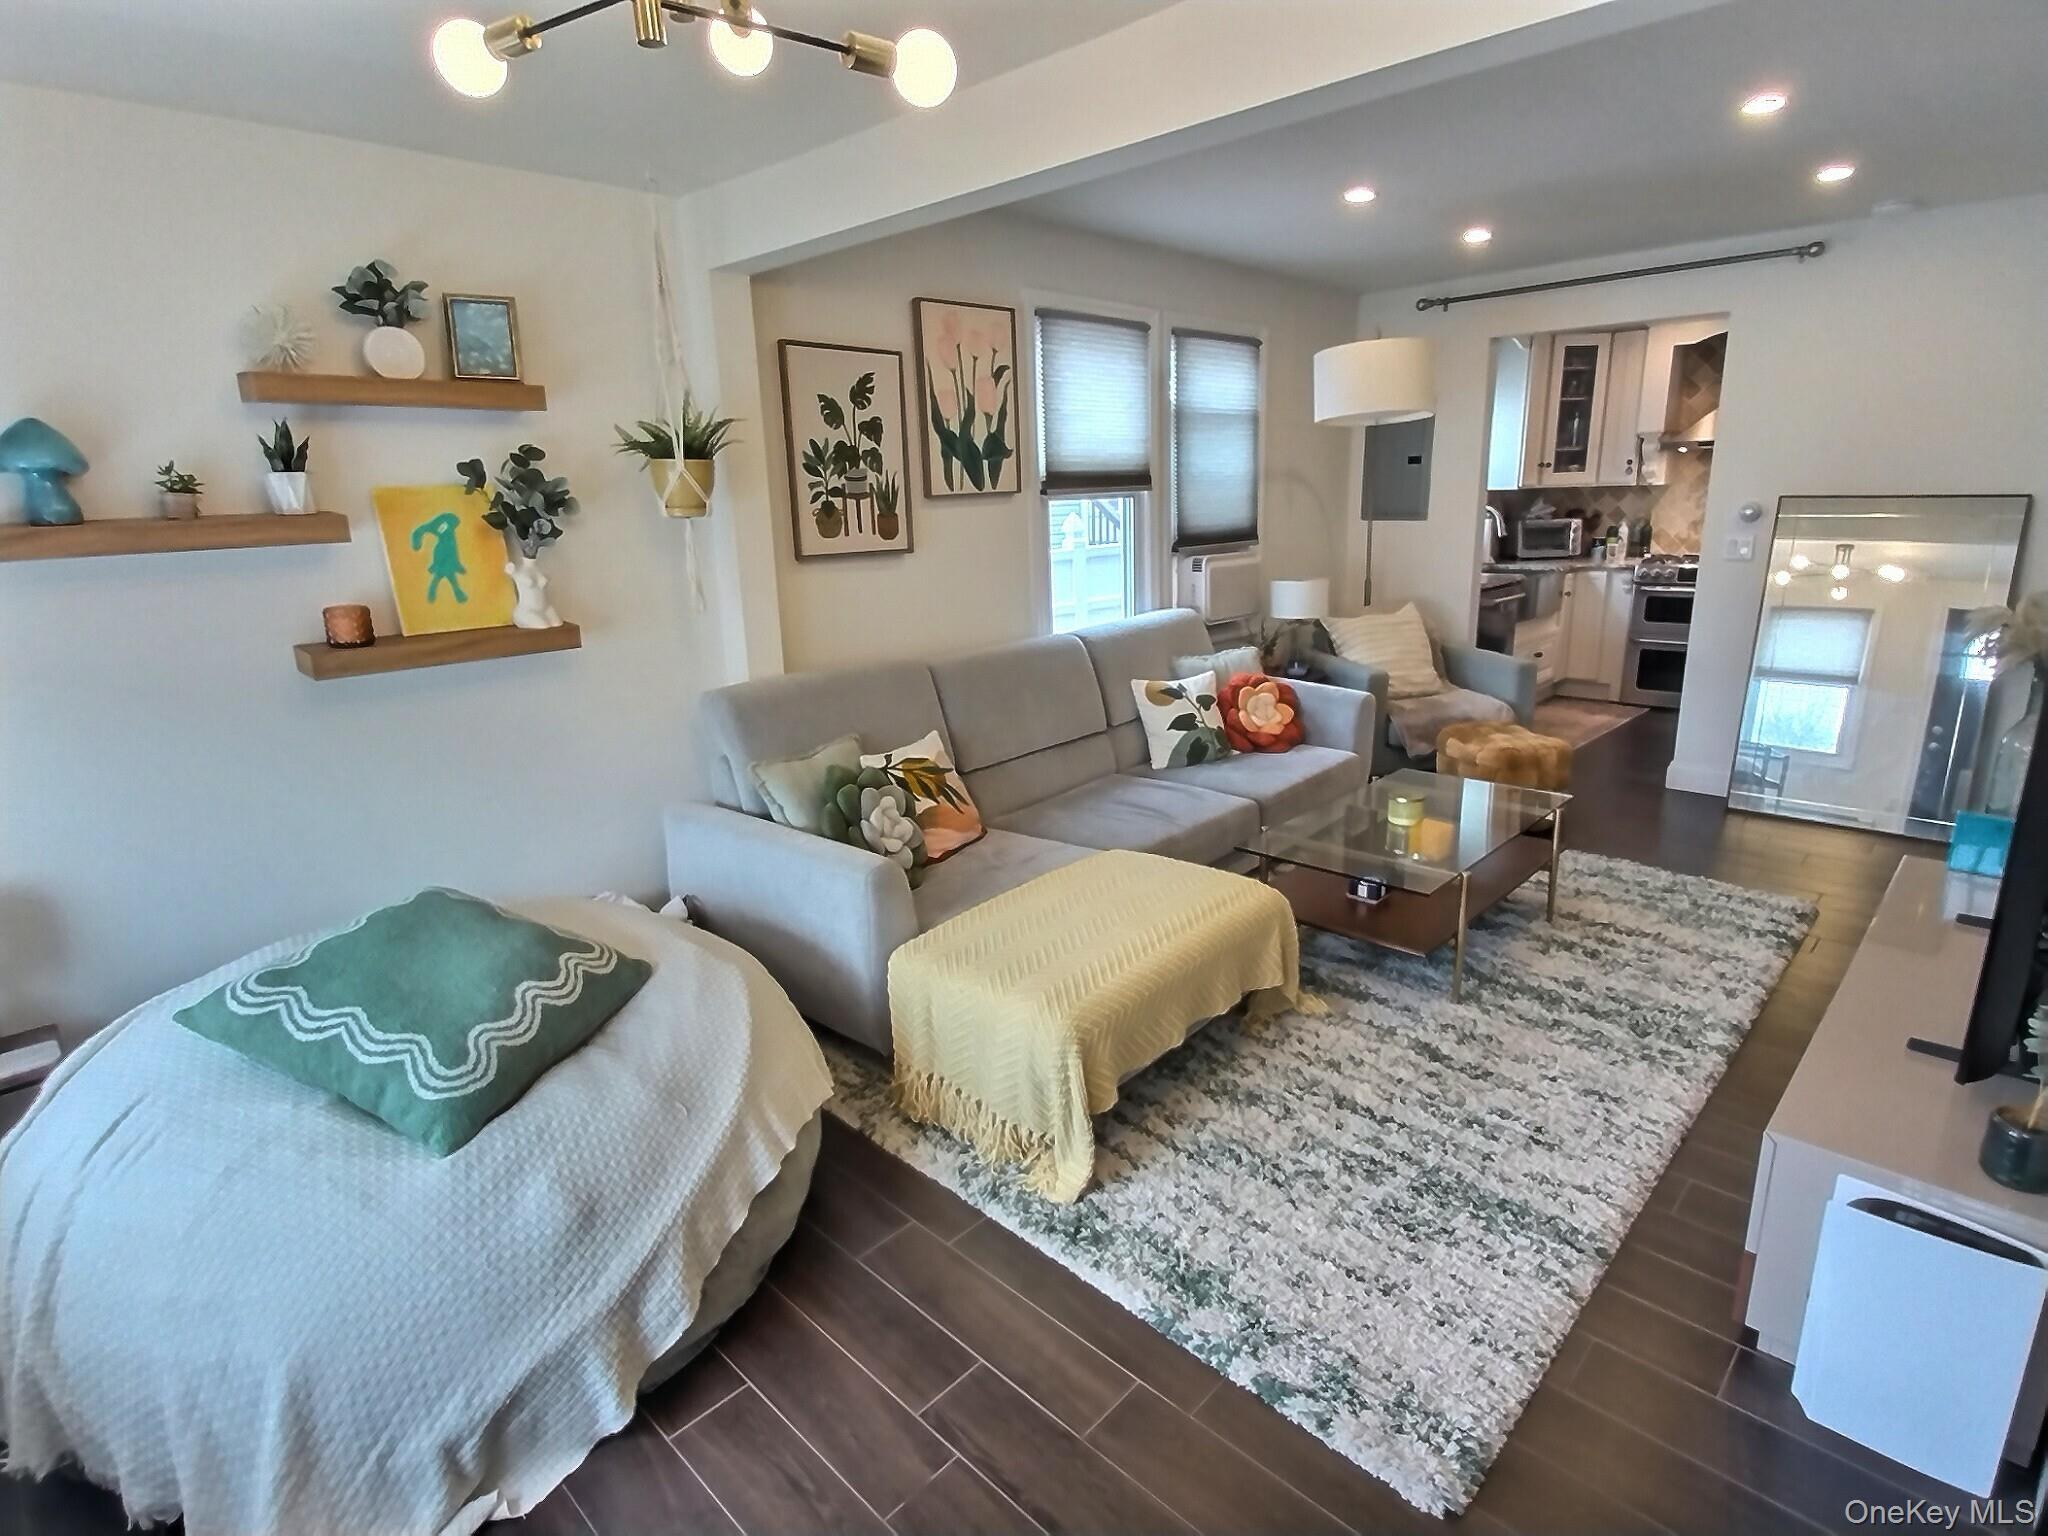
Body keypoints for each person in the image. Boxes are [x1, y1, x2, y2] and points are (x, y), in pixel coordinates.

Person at [411, 510, 468, 605]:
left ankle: (455, 594)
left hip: (447, 558)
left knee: (445, 577)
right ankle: (456, 595)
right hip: (442, 557)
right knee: (444, 577)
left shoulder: (449, 531)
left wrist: (457, 564)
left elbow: (453, 552)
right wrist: (416, 543)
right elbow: (420, 530)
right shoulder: (435, 525)